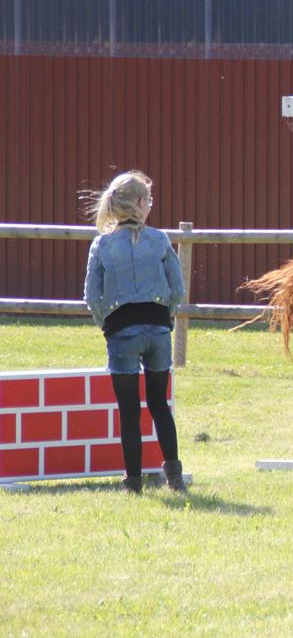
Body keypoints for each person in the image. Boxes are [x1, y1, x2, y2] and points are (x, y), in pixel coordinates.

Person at [83, 171, 187, 493]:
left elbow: (91, 296)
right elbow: (178, 288)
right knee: (159, 404)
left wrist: (107, 325)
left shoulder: (101, 244)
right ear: (141, 204)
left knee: (129, 411)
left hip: (121, 331)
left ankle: (133, 482)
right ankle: (174, 477)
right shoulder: (159, 239)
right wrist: (164, 315)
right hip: (157, 328)